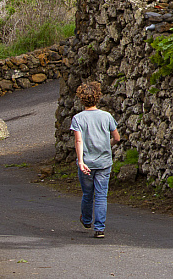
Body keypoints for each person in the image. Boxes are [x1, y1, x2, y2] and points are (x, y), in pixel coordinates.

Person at [70, 81, 120, 239]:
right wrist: (108, 144)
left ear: (81, 99)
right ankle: (99, 228)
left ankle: (86, 219)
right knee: (101, 195)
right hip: (104, 162)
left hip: (87, 162)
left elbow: (79, 141)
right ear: (98, 98)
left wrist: (80, 161)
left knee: (87, 194)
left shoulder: (78, 118)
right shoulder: (106, 116)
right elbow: (117, 138)